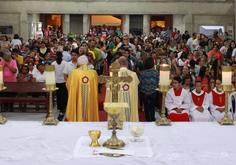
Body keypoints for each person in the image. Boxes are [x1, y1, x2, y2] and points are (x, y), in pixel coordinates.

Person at [105, 56, 139, 122]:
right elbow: (137, 83)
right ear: (127, 64)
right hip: (130, 103)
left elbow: (108, 87)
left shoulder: (114, 76)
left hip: (118, 102)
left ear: (118, 64)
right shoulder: (134, 75)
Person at [65, 55, 99, 122]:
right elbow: (96, 84)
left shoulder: (74, 73)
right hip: (90, 98)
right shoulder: (94, 73)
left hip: (78, 98)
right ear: (88, 63)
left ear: (78, 63)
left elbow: (68, 85)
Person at [139, 57, 159, 121]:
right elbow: (158, 81)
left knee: (146, 107)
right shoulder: (156, 72)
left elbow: (140, 83)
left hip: (144, 92)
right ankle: (152, 119)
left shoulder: (142, 73)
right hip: (153, 92)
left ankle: (147, 119)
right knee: (152, 107)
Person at [52, 52, 67, 121]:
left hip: (63, 81)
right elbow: (52, 73)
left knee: (62, 95)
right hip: (56, 81)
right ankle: (59, 107)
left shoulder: (65, 64)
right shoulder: (53, 64)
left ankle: (62, 108)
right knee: (58, 95)